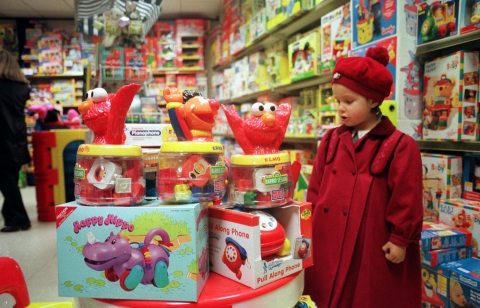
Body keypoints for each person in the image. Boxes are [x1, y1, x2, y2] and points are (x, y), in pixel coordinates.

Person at [303, 46, 423, 307]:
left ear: (373, 100)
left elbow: (407, 198)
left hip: (370, 244)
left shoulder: (400, 145)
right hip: (327, 238)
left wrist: (400, 239)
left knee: (367, 295)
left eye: (349, 101)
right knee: (320, 294)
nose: (341, 109)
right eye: (337, 102)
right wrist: (306, 224)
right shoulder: (331, 139)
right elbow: (316, 187)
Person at [0, 50, 32, 232]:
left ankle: (20, 219)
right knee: (9, 179)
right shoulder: (22, 87)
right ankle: (10, 216)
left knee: (7, 181)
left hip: (2, 139)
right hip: (17, 139)